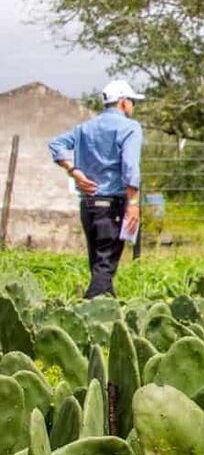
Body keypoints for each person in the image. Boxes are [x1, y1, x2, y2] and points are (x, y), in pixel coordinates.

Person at [49, 80, 145, 298]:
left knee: (99, 264)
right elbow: (130, 167)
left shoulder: (85, 128)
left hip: (89, 205)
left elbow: (56, 144)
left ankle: (105, 316)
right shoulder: (130, 128)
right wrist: (132, 204)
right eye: (132, 102)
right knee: (105, 266)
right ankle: (86, 309)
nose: (133, 107)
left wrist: (73, 170)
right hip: (112, 206)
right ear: (123, 102)